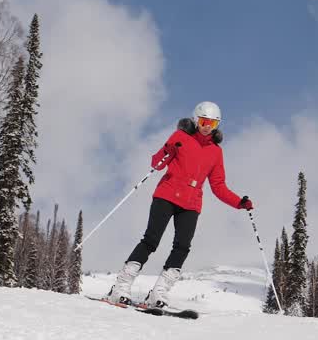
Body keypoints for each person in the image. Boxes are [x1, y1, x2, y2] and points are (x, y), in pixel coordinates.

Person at [107, 101, 254, 308]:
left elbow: (218, 186)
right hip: (166, 195)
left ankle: (158, 294)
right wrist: (168, 148)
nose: (206, 127)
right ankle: (120, 288)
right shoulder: (180, 138)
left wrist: (239, 202)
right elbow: (157, 164)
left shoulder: (216, 152)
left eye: (212, 124)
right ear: (196, 120)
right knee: (151, 240)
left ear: (217, 125)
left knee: (182, 247)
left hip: (191, 203)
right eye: (203, 121)